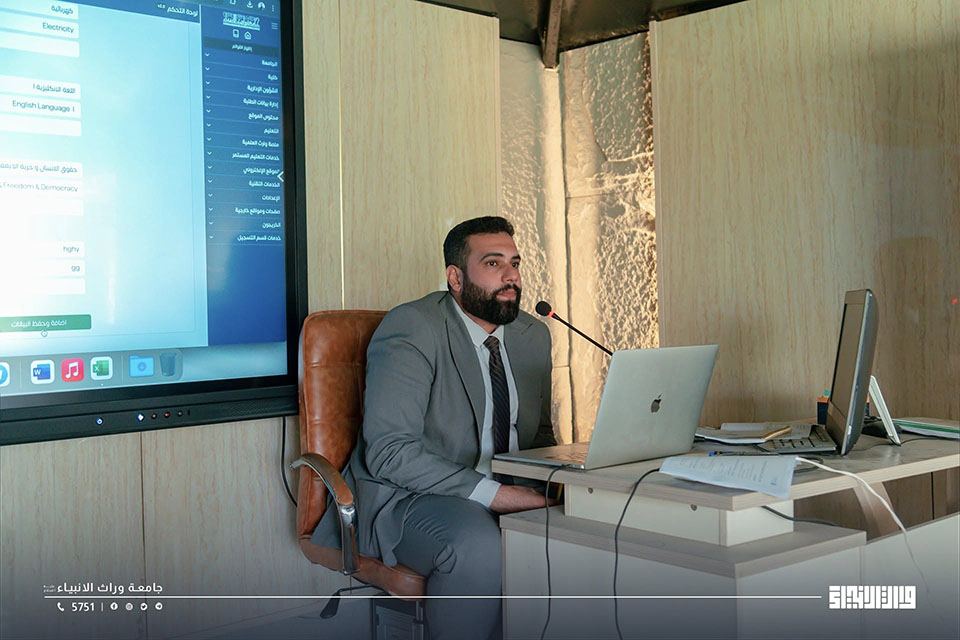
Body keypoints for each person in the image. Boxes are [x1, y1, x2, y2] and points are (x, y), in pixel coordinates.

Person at [311, 216, 557, 640]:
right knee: (479, 545)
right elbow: (390, 452)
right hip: (410, 496)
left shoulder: (533, 334)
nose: (511, 275)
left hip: (509, 486)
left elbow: (541, 437)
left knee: (591, 526)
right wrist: (499, 496)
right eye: (493, 263)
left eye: (514, 263)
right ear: (455, 278)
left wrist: (569, 481)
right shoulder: (413, 327)